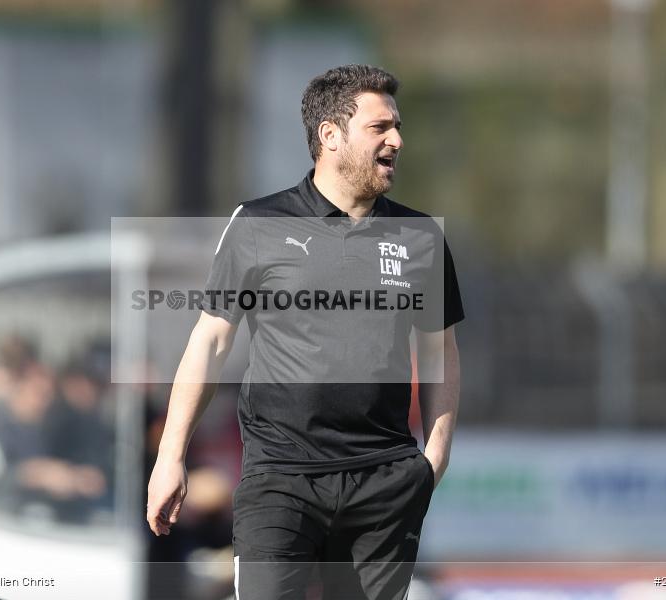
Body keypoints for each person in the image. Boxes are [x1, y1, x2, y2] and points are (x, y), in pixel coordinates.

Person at [146, 64, 464, 599]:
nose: (397, 140)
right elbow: (210, 342)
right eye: (380, 127)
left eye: (397, 126)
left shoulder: (419, 236)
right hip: (280, 478)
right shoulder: (257, 223)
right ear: (330, 136)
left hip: (385, 482)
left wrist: (433, 461)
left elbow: (440, 353)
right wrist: (171, 455)